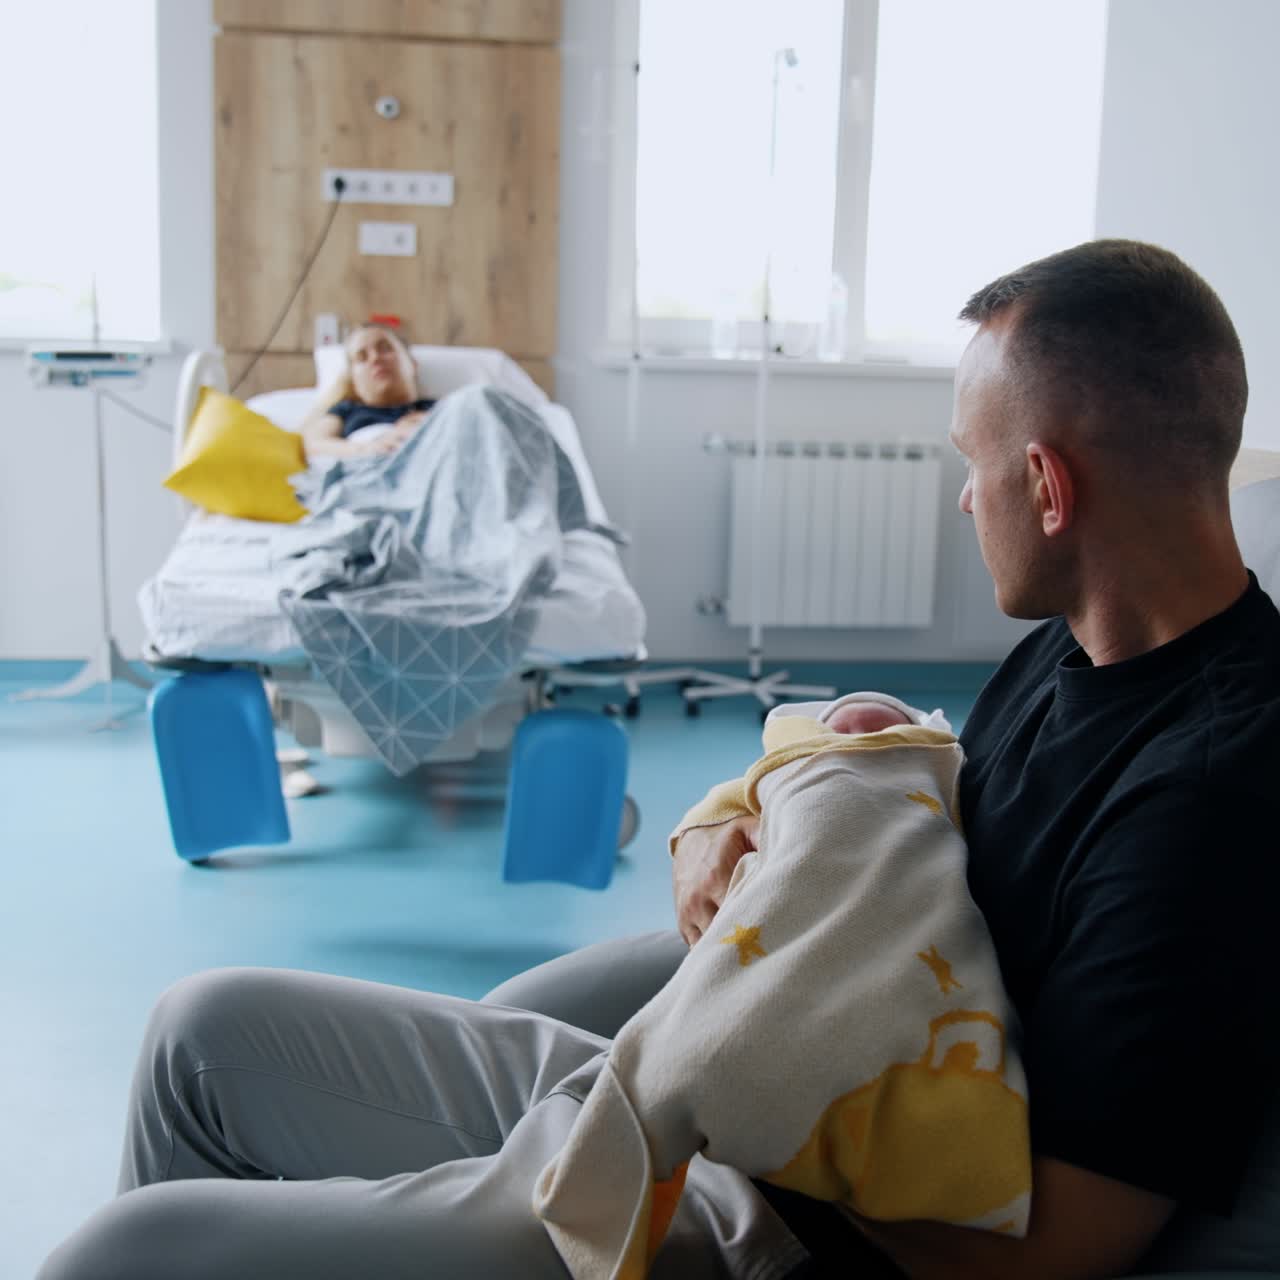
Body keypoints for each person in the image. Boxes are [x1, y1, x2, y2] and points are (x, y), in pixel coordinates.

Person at [38, 239, 1280, 1280]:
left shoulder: (1210, 798)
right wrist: (738, 820)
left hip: (768, 1218)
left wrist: (737, 1090)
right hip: (736, 1085)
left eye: (970, 461)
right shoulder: (1084, 647)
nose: (965, 498)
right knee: (197, 1030)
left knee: (125, 1251)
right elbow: (962, 825)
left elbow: (1053, 1246)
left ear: (1047, 486)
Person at [534, 691, 1030, 1279]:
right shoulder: (1038, 665)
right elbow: (746, 807)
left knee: (667, 1072)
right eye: (842, 725)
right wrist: (704, 826)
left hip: (798, 1206)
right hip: (750, 976)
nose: (860, 731)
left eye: (882, 724)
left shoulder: (932, 761)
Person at [301, 324, 436, 459]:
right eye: (362, 357)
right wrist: (369, 448)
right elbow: (314, 444)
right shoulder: (346, 410)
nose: (375, 358)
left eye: (385, 348)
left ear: (413, 363)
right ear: (353, 380)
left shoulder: (439, 408)